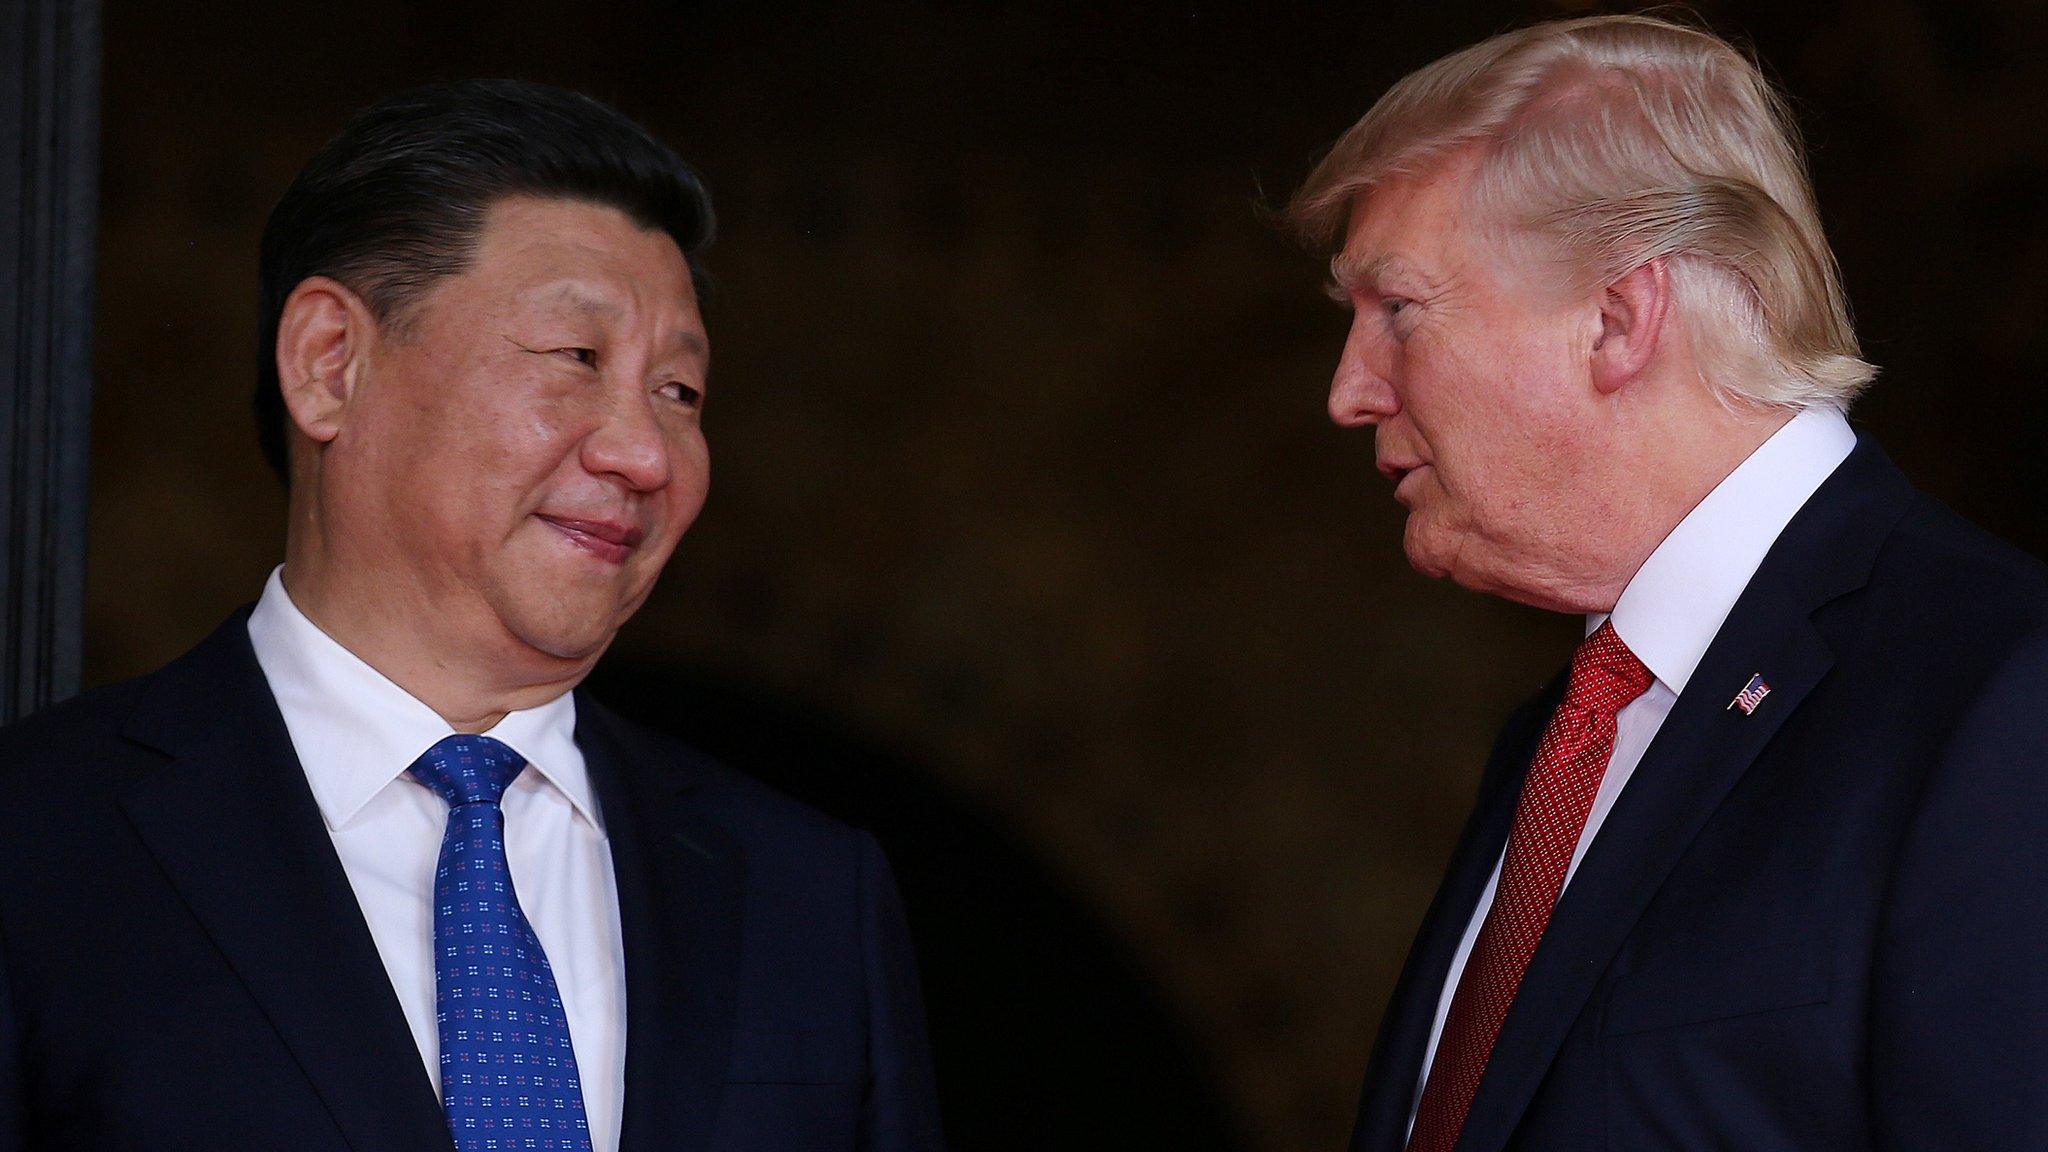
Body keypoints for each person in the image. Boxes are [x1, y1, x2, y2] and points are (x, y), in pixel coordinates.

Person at [0, 80, 944, 1152]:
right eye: (575, 360)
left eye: (678, 393)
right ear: (329, 364)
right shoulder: (39, 846)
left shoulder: (804, 897)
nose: (642, 455)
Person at [1288, 14, 2048, 1152]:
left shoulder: (1998, 696)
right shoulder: (1560, 737)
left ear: (1616, 319)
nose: (1349, 390)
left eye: (1397, 312)